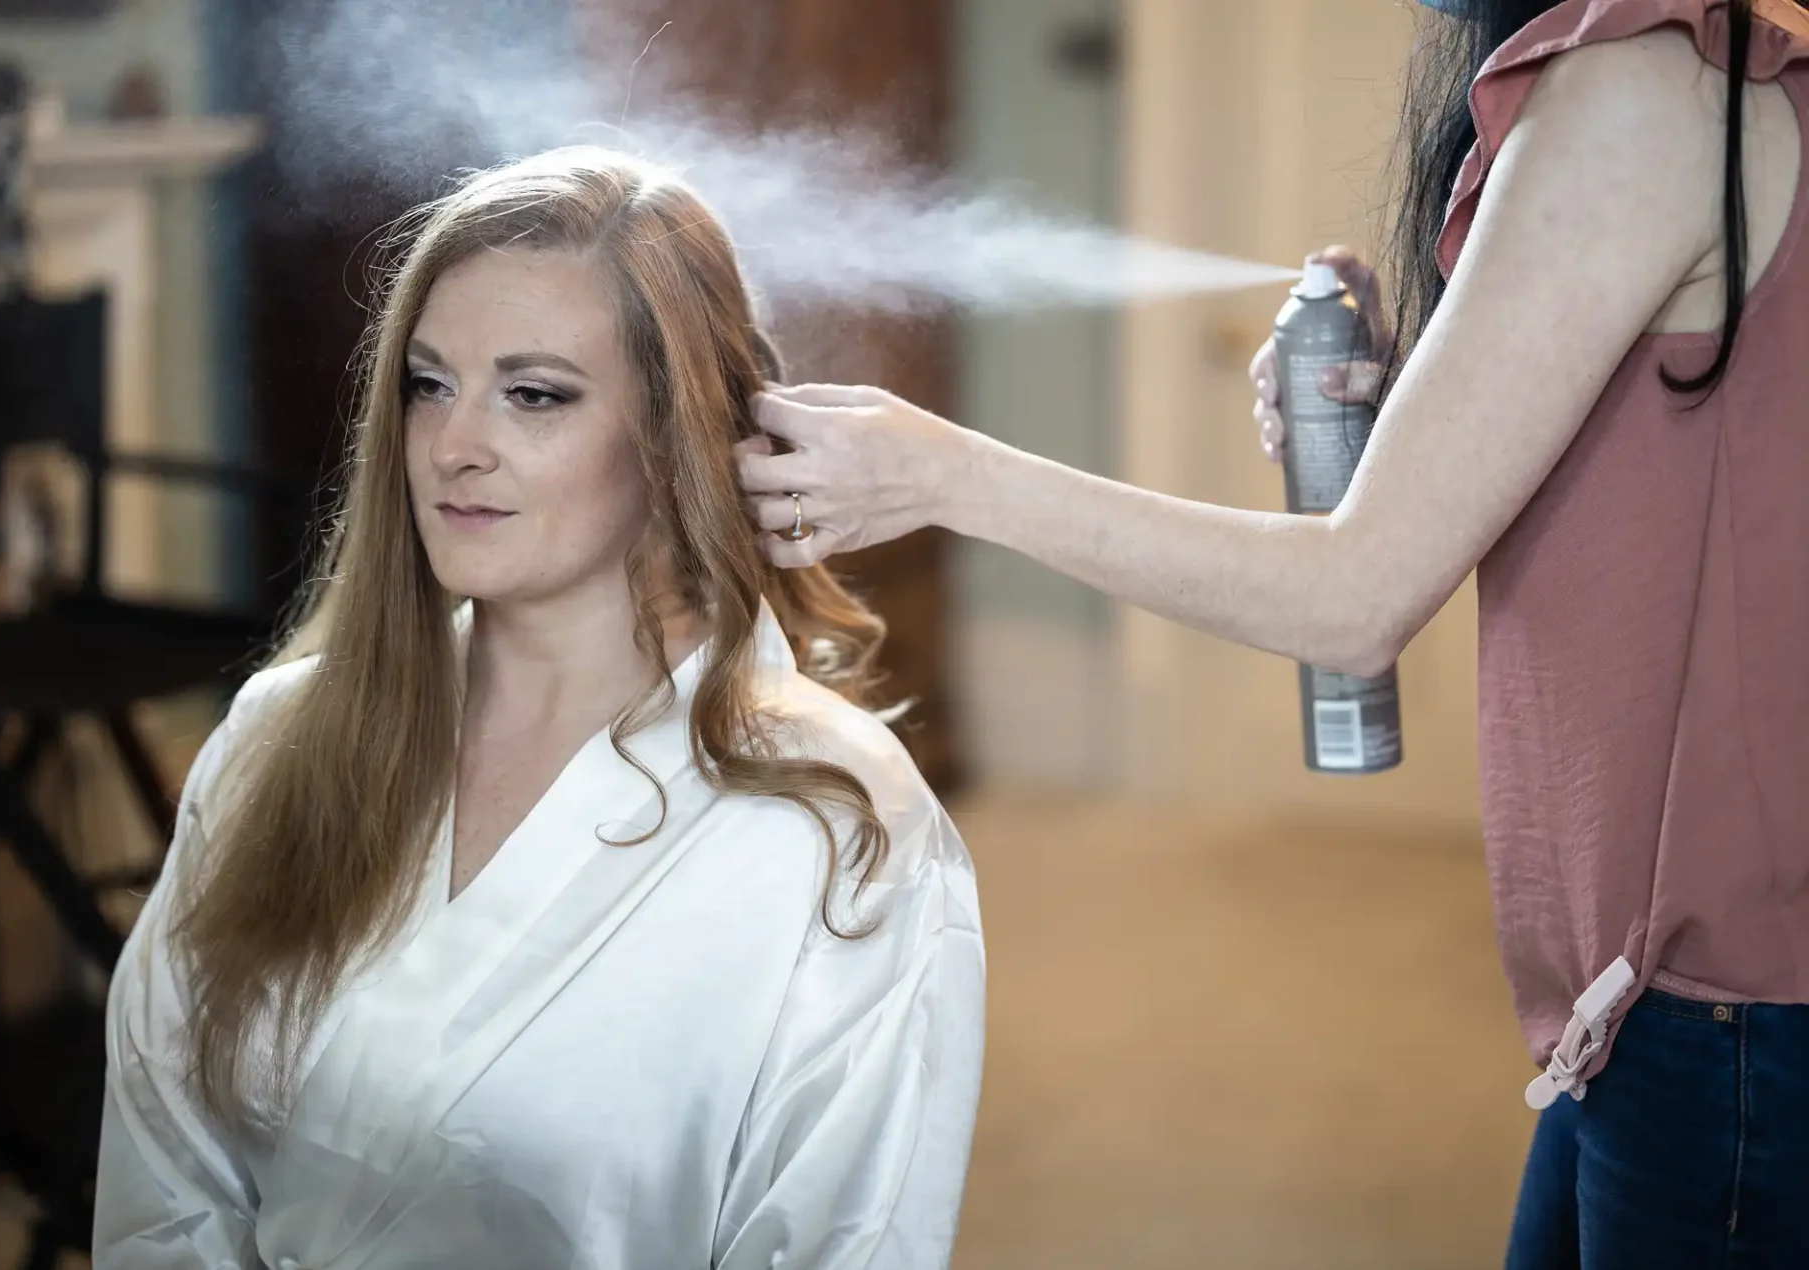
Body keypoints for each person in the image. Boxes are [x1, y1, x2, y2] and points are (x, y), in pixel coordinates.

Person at [734, 1, 1808, 1265]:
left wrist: (940, 477)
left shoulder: (1638, 86)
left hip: (1726, 1018)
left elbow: (1354, 600)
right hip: (1645, 1002)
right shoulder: (1689, 69)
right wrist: (1427, 398)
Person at [93, 147, 985, 1270]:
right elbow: (161, 1174)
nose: (455, 446)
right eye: (429, 384)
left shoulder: (839, 833)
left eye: (534, 395)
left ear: (676, 432)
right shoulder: (278, 737)